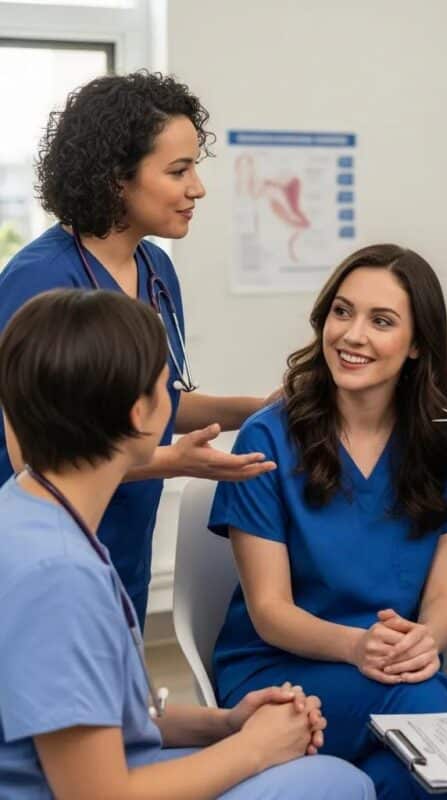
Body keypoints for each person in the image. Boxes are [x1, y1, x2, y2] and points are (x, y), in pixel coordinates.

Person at [0, 288, 375, 800]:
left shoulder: (27, 512)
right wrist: (255, 748)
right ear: (141, 414)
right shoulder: (59, 576)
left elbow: (94, 714)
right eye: (165, 385)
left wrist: (225, 724)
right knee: (337, 783)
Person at [208, 244, 447, 800]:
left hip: (391, 667)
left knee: (398, 774)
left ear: (416, 347)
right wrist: (360, 648)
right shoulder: (267, 436)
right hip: (279, 672)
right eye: (342, 311)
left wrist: (425, 641)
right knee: (433, 719)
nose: (352, 335)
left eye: (381, 321)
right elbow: (269, 612)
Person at [0, 71, 275, 628]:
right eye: (178, 171)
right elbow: (31, 458)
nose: (197, 187)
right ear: (115, 180)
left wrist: (254, 408)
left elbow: (158, 401)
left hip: (122, 545)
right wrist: (172, 461)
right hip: (45, 556)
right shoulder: (40, 281)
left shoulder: (156, 270)